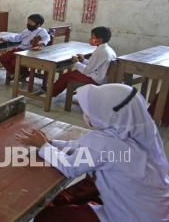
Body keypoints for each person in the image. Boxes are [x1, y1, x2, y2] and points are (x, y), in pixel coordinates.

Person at [18, 83, 169, 222]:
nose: (87, 115)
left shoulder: (106, 142)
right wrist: (51, 143)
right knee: (84, 187)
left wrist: (44, 147)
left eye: (93, 112)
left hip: (131, 217)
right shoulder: (140, 129)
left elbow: (70, 168)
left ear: (109, 117)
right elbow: (85, 148)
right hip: (154, 209)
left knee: (46, 217)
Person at [52, 26, 116, 96]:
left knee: (65, 76)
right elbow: (94, 65)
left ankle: (51, 93)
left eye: (93, 37)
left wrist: (76, 63)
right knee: (73, 73)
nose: (90, 39)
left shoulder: (100, 51)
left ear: (100, 39)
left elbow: (87, 70)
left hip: (96, 80)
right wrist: (83, 60)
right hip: (101, 77)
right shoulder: (107, 49)